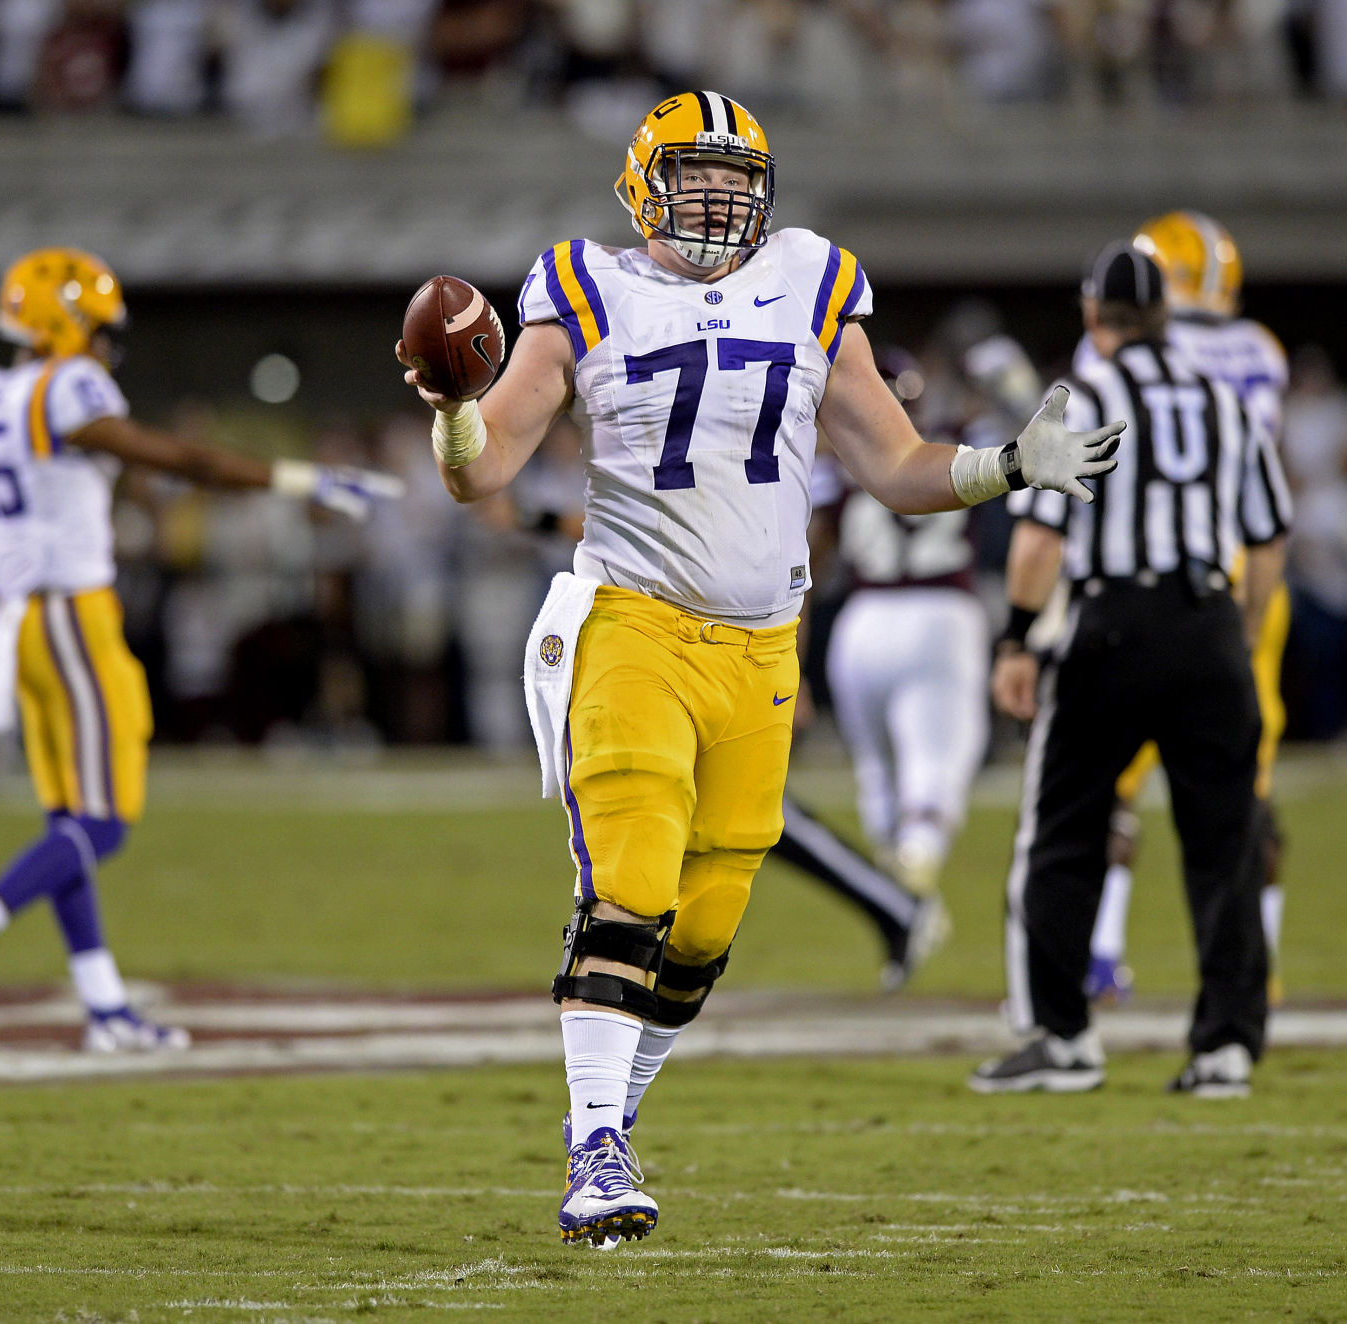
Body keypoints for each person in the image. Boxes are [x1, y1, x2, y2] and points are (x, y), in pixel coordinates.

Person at [398, 90, 1122, 1245]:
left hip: (762, 644)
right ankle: (592, 1152)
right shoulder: (582, 287)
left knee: (703, 925)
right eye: (695, 177)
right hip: (630, 622)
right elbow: (485, 472)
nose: (719, 200)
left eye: (736, 181)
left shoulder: (810, 276)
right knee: (629, 878)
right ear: (643, 184)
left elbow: (891, 463)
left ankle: (614, 1118)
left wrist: (1003, 465)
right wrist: (447, 408)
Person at [0, 246, 402, 1053]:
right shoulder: (66, 387)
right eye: (97, 327)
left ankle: (103, 1008)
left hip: (23, 624)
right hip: (73, 617)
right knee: (102, 825)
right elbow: (184, 460)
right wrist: (299, 481)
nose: (106, 345)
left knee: (68, 822)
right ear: (66, 322)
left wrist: (7, 602)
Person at [971, 241, 1291, 1100]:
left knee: (1064, 830)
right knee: (1225, 837)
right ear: (1165, 314)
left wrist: (1015, 640)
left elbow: (1041, 535)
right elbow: (1266, 534)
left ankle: (1063, 1035)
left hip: (1113, 624)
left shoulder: (1087, 395)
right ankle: (1224, 1046)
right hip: (1209, 621)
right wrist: (1238, 630)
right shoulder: (1226, 398)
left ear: (1091, 314)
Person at [1077, 212, 1293, 1008]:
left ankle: (1097, 955)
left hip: (1138, 572)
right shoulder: (1261, 353)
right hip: (1244, 574)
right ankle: (1254, 967)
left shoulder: (1120, 354)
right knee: (1243, 779)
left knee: (1103, 778)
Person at [776, 349, 991, 991]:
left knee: (876, 769)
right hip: (944, 613)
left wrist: (793, 659)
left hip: (862, 624)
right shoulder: (957, 442)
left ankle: (895, 882)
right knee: (939, 760)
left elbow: (806, 561)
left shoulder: (836, 467)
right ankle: (913, 870)